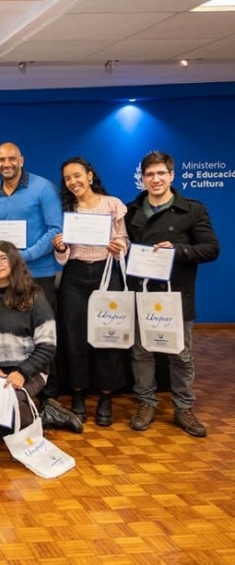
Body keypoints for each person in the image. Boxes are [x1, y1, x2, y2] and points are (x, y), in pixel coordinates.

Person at [125, 151, 219, 437]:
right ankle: (146, 402)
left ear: (171, 175)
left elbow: (211, 249)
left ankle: (184, 408)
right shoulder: (131, 211)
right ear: (142, 178)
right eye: (149, 174)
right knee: (142, 353)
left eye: (161, 174)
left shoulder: (192, 209)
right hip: (141, 292)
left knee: (181, 354)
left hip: (175, 295)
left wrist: (177, 251)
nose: (155, 179)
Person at [0, 142, 63, 400]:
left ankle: (50, 399)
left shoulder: (43, 188)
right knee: (14, 338)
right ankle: (16, 389)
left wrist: (20, 258)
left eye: (12, 158)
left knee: (45, 335)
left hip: (40, 275)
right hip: (6, 282)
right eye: (1, 159)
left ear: (21, 160)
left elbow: (55, 230)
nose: (7, 163)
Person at [0, 241, 82, 439]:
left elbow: (48, 347)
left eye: (2, 259)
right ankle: (46, 414)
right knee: (1, 422)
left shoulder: (34, 297)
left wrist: (22, 372)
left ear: (14, 261)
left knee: (8, 411)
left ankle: (36, 424)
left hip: (30, 372)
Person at [52, 157, 128, 426]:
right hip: (74, 277)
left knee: (108, 337)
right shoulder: (65, 210)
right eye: (68, 179)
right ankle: (78, 396)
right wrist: (60, 248)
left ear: (90, 175)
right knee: (75, 338)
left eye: (77, 176)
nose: (73, 182)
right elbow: (62, 256)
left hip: (108, 275)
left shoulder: (113, 204)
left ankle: (106, 397)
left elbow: (124, 240)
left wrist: (118, 246)